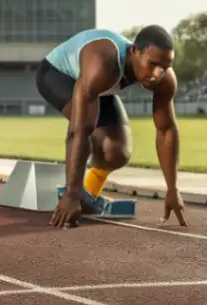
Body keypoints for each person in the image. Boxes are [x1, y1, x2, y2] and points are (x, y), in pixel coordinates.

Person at [36, 26, 186, 230]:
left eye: (164, 67)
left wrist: (172, 189)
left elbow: (166, 129)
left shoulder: (164, 79)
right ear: (134, 51)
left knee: (118, 152)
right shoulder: (103, 62)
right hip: (57, 75)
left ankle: (87, 194)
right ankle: (74, 192)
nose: (157, 74)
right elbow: (79, 130)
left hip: (98, 87)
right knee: (90, 128)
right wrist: (72, 196)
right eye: (152, 64)